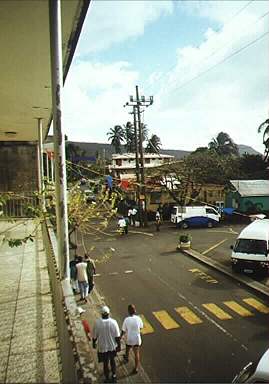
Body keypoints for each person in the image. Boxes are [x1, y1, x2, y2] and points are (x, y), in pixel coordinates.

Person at [92, 306, 121, 383]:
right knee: (112, 361)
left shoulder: (97, 323)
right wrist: (119, 346)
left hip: (102, 347)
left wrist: (94, 343)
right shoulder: (114, 322)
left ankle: (107, 378)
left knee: (105, 363)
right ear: (109, 313)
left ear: (101, 314)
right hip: (112, 346)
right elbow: (117, 336)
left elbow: (94, 336)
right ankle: (114, 376)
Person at [121, 304, 143, 375]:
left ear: (128, 311)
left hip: (130, 339)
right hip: (137, 339)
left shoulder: (126, 320)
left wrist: (120, 337)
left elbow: (123, 330)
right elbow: (141, 327)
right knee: (136, 353)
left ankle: (126, 357)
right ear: (135, 311)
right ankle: (136, 368)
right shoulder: (139, 318)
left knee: (128, 347)